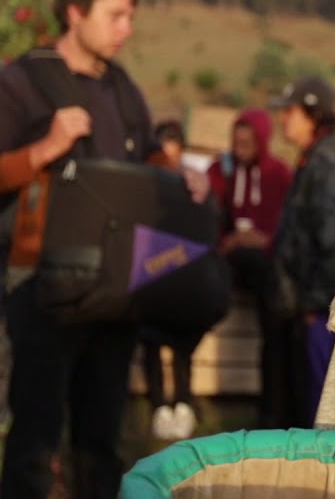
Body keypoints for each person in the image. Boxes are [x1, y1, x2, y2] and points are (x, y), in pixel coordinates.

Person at [0, 0, 206, 498]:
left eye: (130, 17)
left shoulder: (122, 90)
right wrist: (43, 148)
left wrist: (182, 178)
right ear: (74, 12)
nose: (126, 29)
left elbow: (150, 162)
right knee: (34, 443)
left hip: (115, 290)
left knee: (102, 441)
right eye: (115, 16)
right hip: (42, 286)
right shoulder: (17, 84)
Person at [269, 76, 335, 427]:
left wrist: (316, 305)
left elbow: (334, 240)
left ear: (313, 113)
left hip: (325, 315)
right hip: (316, 310)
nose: (283, 119)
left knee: (324, 416)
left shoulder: (330, 164)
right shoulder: (317, 158)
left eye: (291, 111)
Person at [205, 108, 294, 428]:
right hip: (229, 259)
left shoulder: (278, 174)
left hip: (264, 262)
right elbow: (208, 214)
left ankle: (272, 410)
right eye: (236, 142)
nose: (240, 149)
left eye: (248, 143)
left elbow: (288, 227)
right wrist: (227, 240)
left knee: (275, 316)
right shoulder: (222, 170)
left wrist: (263, 239)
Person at [140, 119, 203, 442]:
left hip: (181, 269)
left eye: (173, 144)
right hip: (150, 269)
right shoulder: (145, 180)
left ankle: (183, 400)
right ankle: (158, 404)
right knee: (151, 340)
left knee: (181, 343)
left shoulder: (191, 181)